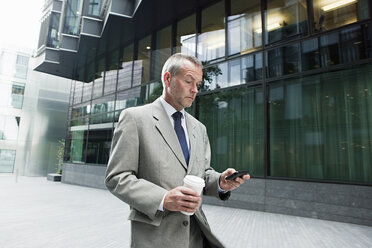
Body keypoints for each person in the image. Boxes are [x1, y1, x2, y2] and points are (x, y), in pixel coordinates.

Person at [105, 53, 250, 248]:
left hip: (196, 237)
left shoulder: (199, 128)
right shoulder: (135, 119)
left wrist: (221, 182)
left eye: (198, 84)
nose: (195, 89)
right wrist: (163, 199)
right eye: (189, 81)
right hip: (156, 238)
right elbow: (117, 177)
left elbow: (202, 174)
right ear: (167, 79)